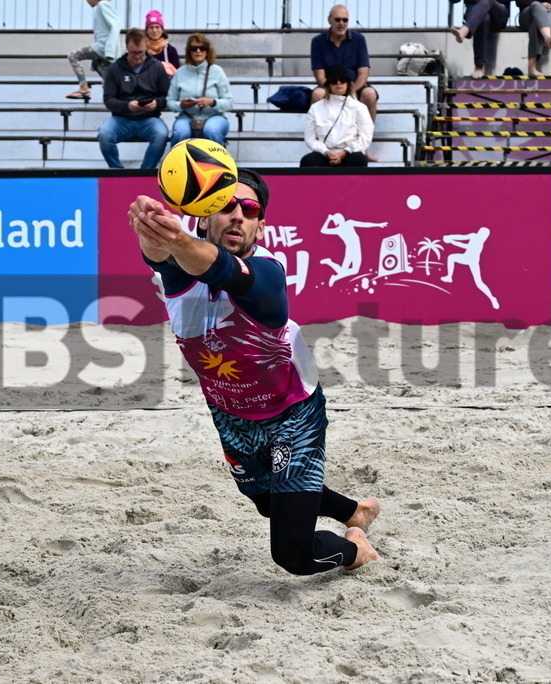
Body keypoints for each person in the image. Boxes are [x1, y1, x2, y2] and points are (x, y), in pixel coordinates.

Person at [126, 169, 381, 576]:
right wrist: (150, 225)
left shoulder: (267, 273)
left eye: (250, 209)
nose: (238, 216)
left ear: (261, 225)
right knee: (265, 499)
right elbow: (158, 255)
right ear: (203, 217)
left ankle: (357, 548)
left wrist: (174, 238)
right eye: (225, 206)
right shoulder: (179, 269)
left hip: (292, 412)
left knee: (293, 554)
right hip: (230, 412)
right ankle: (355, 512)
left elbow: (220, 270)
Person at [98, 28, 171, 169]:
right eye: (133, 53)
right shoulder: (115, 68)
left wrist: (156, 103)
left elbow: (166, 96)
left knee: (161, 134)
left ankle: (145, 171)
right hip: (122, 119)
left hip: (149, 118)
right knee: (104, 134)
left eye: (141, 53)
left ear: (147, 48)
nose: (137, 56)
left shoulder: (157, 67)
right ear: (127, 48)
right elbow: (108, 100)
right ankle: (117, 171)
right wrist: (126, 106)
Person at [310, 5, 379, 122]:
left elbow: (363, 74)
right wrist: (335, 90)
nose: (341, 23)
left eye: (345, 20)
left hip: (354, 86)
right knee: (317, 94)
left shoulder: (359, 39)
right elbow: (319, 76)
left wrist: (350, 92)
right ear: (329, 20)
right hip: (330, 85)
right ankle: (320, 135)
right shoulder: (317, 41)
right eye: (337, 19)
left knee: (370, 94)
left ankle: (367, 135)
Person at [167, 33, 233, 147]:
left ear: (207, 51)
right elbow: (170, 102)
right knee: (180, 133)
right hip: (187, 116)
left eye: (202, 48)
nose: (198, 51)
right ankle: (179, 164)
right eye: (194, 48)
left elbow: (229, 102)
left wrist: (212, 102)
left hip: (214, 116)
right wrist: (181, 105)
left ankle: (216, 163)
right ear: (189, 51)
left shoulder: (217, 71)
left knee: (211, 131)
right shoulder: (180, 72)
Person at [301, 65, 374, 167]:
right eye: (334, 81)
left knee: (359, 159)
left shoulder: (359, 107)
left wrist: (345, 152)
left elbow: (366, 136)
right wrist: (326, 152)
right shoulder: (316, 108)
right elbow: (310, 138)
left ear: (348, 84)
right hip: (324, 153)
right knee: (308, 161)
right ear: (328, 85)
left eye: (342, 80)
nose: (338, 83)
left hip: (350, 153)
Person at [66, 0, 122, 101]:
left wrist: (110, 48)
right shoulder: (100, 7)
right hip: (103, 48)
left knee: (73, 55)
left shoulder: (102, 5)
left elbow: (116, 24)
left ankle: (83, 87)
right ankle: (112, 98)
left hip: (102, 47)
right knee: (101, 71)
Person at [449, 0, 511, 78]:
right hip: (475, 12)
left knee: (487, 1)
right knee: (484, 18)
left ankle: (465, 30)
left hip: (498, 13)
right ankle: (479, 67)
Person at [515, 0, 551, 77]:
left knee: (537, 21)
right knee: (536, 7)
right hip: (529, 12)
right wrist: (541, 5)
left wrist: (550, 5)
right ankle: (547, 37)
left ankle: (532, 67)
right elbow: (521, 1)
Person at [144, 10, 180, 75]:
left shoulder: (171, 50)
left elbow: (177, 74)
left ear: (162, 30)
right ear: (146, 31)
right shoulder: (142, 50)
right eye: (151, 27)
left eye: (157, 27)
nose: (154, 30)